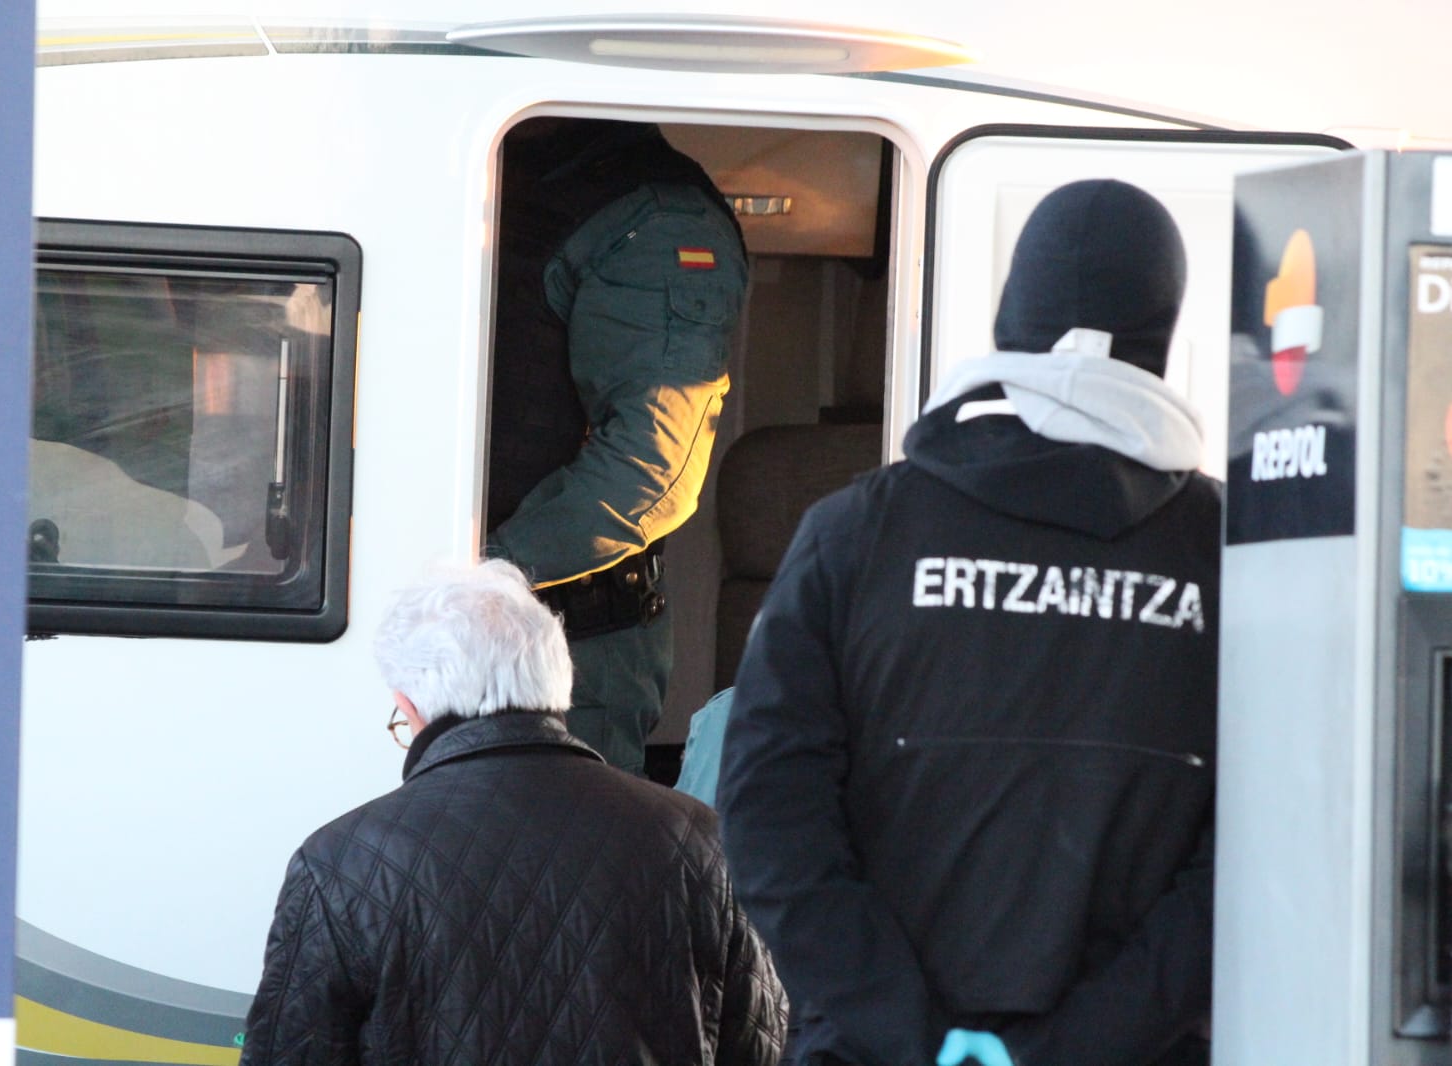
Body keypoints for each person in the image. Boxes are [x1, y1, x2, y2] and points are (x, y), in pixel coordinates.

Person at [717, 179, 1218, 1066]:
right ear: (1160, 339)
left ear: (1009, 318)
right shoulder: (1228, 553)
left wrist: (909, 1033)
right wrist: (1069, 1047)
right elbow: (1246, 860)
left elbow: (767, 817)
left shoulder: (855, 532)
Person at [239, 559, 786, 1066]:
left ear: (409, 706)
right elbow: (763, 1049)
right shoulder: (701, 841)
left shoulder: (340, 862)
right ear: (558, 683)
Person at [485, 117, 748, 775]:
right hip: (482, 628)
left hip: (560, 650)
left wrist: (478, 573)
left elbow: (649, 473)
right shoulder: (491, 151)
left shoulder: (655, 217)